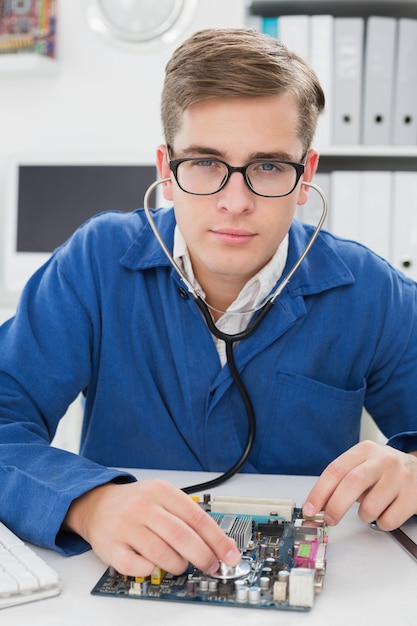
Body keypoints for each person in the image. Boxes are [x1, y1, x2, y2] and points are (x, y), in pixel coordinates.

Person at [1, 27, 417, 580]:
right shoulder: (95, 263)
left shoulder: (371, 290)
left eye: (269, 166)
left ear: (306, 175)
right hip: (121, 584)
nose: (235, 201)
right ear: (165, 170)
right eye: (204, 162)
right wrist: (88, 503)